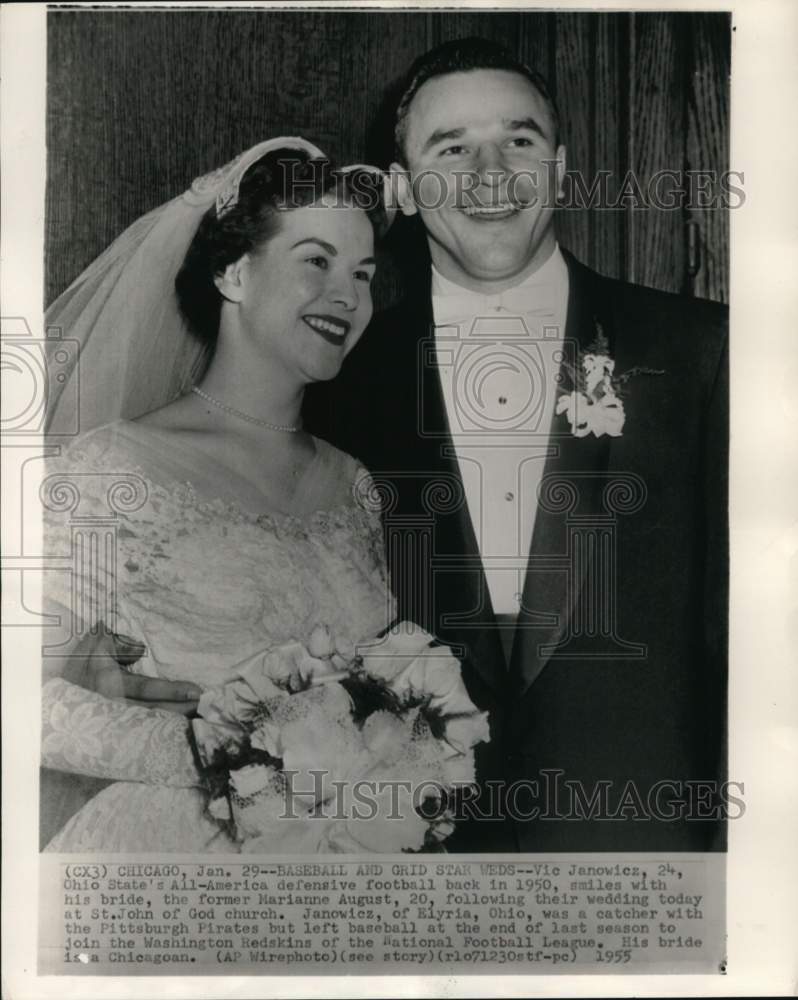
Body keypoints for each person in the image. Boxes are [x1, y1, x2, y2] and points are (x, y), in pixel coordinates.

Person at [305, 38, 728, 852]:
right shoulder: (341, 379)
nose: (489, 173)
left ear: (559, 170)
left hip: (645, 854)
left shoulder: (700, 353)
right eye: (451, 148)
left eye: (518, 140)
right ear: (403, 188)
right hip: (417, 866)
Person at [40, 139, 398, 851]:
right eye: (317, 261)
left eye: (363, 274)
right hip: (173, 854)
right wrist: (210, 749)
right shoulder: (113, 468)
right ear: (233, 272)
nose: (349, 297)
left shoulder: (354, 484)